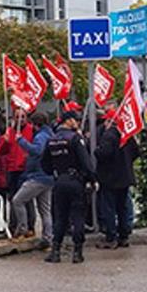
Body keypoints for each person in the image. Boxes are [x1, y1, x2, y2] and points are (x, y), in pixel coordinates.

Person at [41, 110, 95, 264]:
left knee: (60, 217)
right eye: (75, 120)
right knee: (78, 216)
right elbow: (86, 162)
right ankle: (77, 253)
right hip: (75, 181)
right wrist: (92, 179)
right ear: (68, 121)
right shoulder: (75, 139)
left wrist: (56, 173)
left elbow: (44, 164)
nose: (77, 122)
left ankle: (55, 252)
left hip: (59, 181)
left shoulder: (51, 140)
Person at [94, 110, 139, 249]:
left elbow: (104, 153)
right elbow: (136, 152)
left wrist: (96, 151)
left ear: (109, 121)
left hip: (110, 177)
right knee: (122, 207)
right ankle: (124, 236)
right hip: (124, 177)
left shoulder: (109, 135)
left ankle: (111, 237)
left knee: (109, 208)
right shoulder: (126, 135)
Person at [12, 112, 54, 245]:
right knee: (45, 210)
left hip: (37, 176)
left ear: (35, 124)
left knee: (17, 200)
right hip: (48, 176)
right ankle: (48, 237)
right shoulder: (50, 134)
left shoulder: (41, 136)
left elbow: (37, 150)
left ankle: (22, 229)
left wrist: (21, 141)